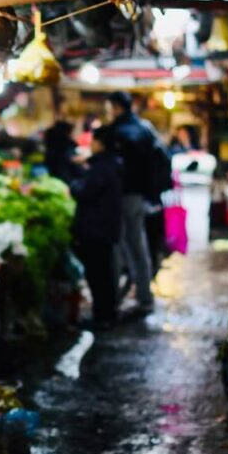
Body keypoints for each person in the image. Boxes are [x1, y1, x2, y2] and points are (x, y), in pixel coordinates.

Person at [106, 91, 155, 314]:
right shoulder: (144, 128)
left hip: (121, 194)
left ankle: (113, 297)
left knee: (116, 245)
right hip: (139, 195)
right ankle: (144, 293)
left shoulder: (118, 131)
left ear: (116, 107)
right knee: (137, 243)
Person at [69, 127, 123, 329]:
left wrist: (74, 186)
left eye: (94, 141)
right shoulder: (111, 164)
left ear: (101, 143)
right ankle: (107, 314)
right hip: (105, 228)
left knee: (99, 274)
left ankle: (103, 317)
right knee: (104, 273)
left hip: (96, 229)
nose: (91, 145)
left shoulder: (102, 167)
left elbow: (85, 192)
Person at [44, 114, 83, 184]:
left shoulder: (51, 143)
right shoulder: (68, 147)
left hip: (54, 179)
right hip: (67, 181)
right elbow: (75, 168)